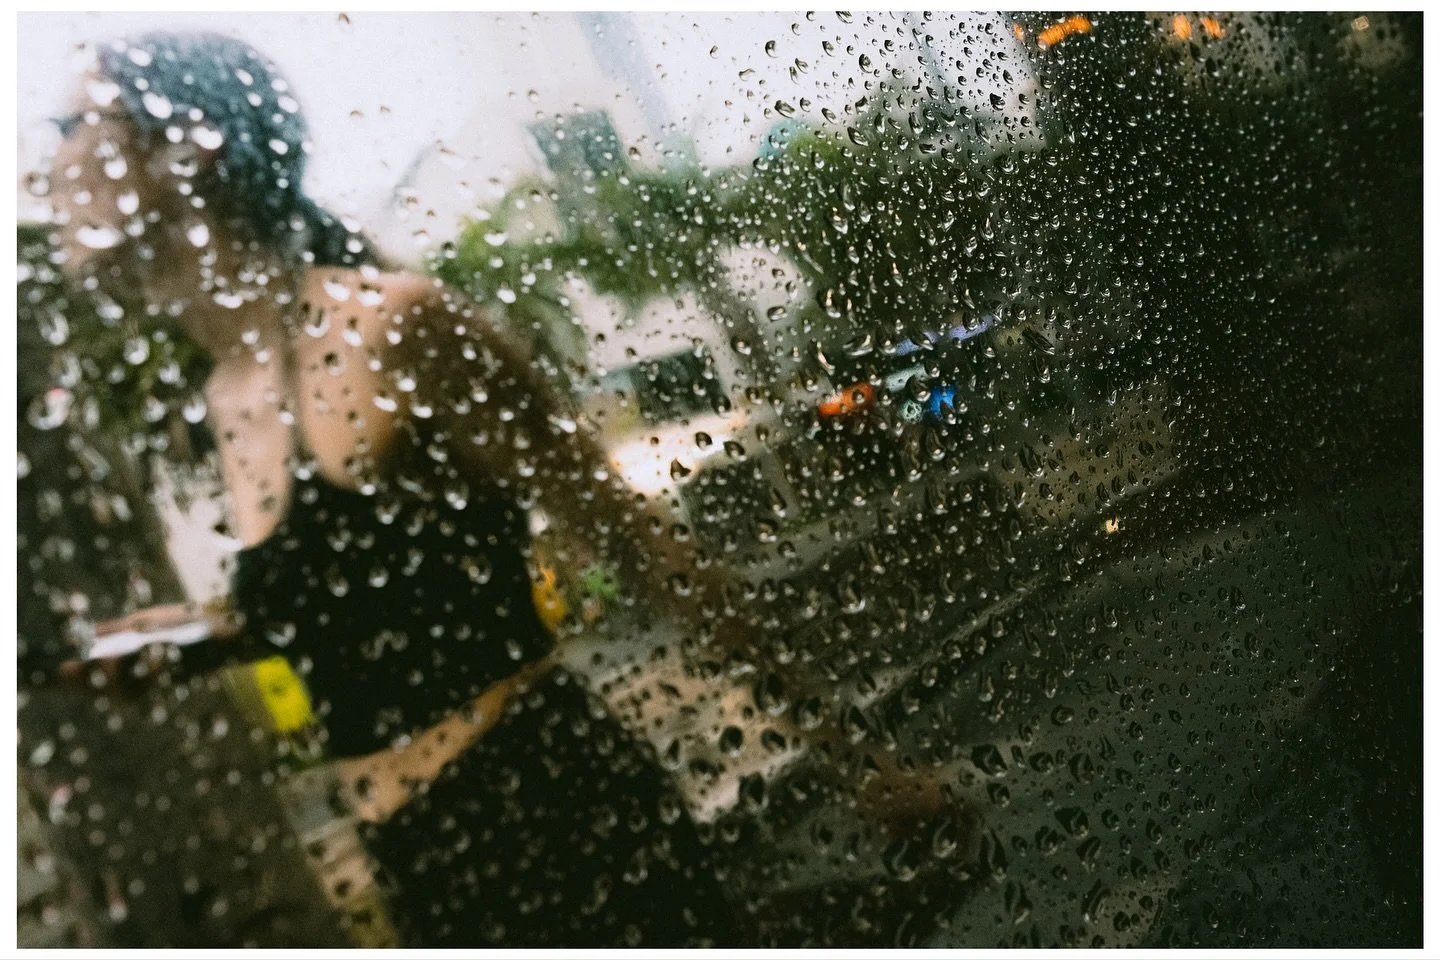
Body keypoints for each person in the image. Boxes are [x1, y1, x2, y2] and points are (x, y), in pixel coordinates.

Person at [45, 30, 744, 946]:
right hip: (414, 859)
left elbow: (635, 543)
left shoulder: (391, 330)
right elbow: (382, 579)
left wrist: (868, 767)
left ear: (185, 151)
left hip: (553, 813)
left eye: (73, 123)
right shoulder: (227, 394)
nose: (48, 156)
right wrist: (206, 636)